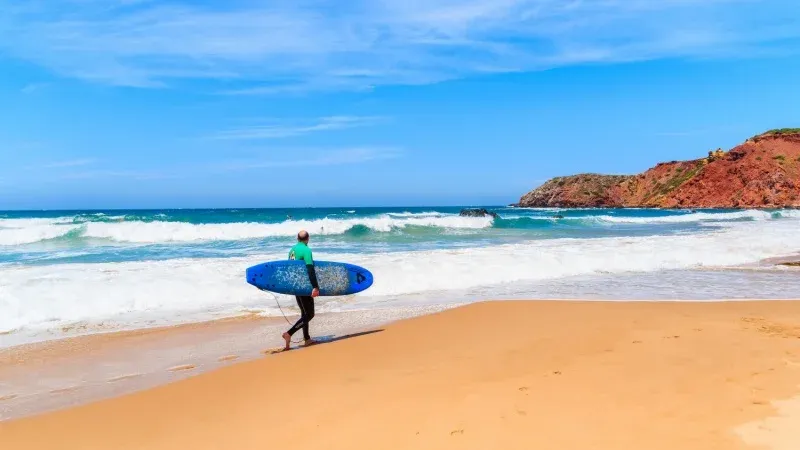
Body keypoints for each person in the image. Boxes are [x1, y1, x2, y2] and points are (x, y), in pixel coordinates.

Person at [282, 230, 320, 350]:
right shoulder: (306, 250)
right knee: (310, 314)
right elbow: (310, 269)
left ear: (297, 238)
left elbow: (290, 269)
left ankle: (307, 339)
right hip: (304, 286)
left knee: (304, 313)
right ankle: (289, 334)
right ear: (308, 238)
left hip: (295, 285)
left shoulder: (292, 250)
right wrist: (315, 286)